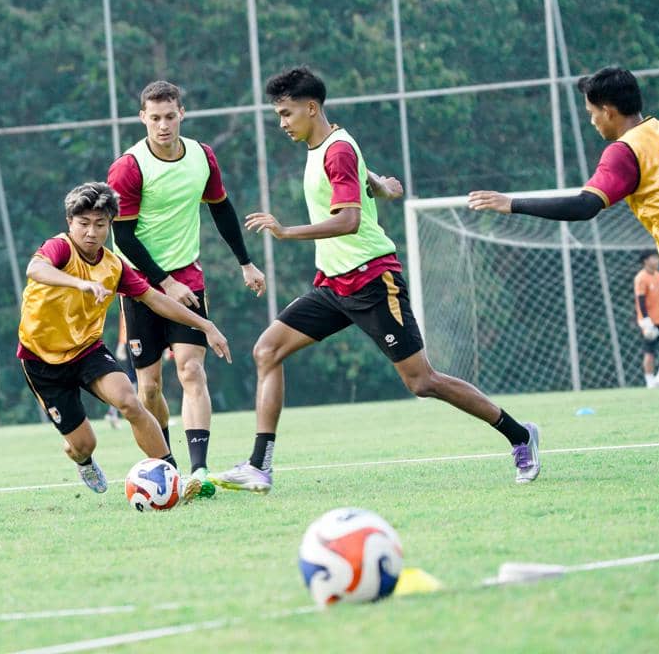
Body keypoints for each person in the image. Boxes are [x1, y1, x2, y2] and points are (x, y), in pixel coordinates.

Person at [210, 67, 540, 494]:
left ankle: (520, 435)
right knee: (267, 349)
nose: (282, 123)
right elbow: (360, 181)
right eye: (279, 115)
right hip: (332, 285)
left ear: (311, 108)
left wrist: (286, 231)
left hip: (371, 280)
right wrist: (382, 186)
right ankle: (260, 464)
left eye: (287, 114)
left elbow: (348, 220)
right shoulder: (329, 144)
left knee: (422, 382)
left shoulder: (336, 150)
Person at [469, 65, 659, 409]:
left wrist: (511, 203)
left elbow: (584, 206)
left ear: (607, 110)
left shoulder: (624, 151)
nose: (592, 122)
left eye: (592, 113)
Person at [17, 181, 232, 499]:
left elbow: (156, 299)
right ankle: (84, 461)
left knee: (130, 402)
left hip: (87, 350)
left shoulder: (113, 266)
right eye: (84, 224)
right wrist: (78, 284)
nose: (91, 232)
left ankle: (174, 478)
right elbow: (35, 269)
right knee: (82, 445)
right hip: (41, 360)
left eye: (100, 225)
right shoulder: (60, 248)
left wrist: (205, 325)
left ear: (110, 225)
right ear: (70, 223)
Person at [107, 80, 266, 490]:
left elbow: (222, 209)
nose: (163, 125)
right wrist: (164, 282)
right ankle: (169, 466)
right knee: (150, 386)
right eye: (155, 118)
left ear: (182, 114)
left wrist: (245, 263)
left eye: (170, 116)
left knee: (191, 369)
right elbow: (122, 237)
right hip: (140, 285)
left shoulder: (201, 156)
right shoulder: (129, 167)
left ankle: (197, 471)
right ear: (142, 118)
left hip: (189, 277)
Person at [634, 251, 659, 388]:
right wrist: (646, 320)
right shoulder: (641, 278)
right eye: (654, 258)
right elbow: (640, 300)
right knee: (649, 351)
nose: (657, 260)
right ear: (645, 261)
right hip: (648, 322)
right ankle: (650, 381)